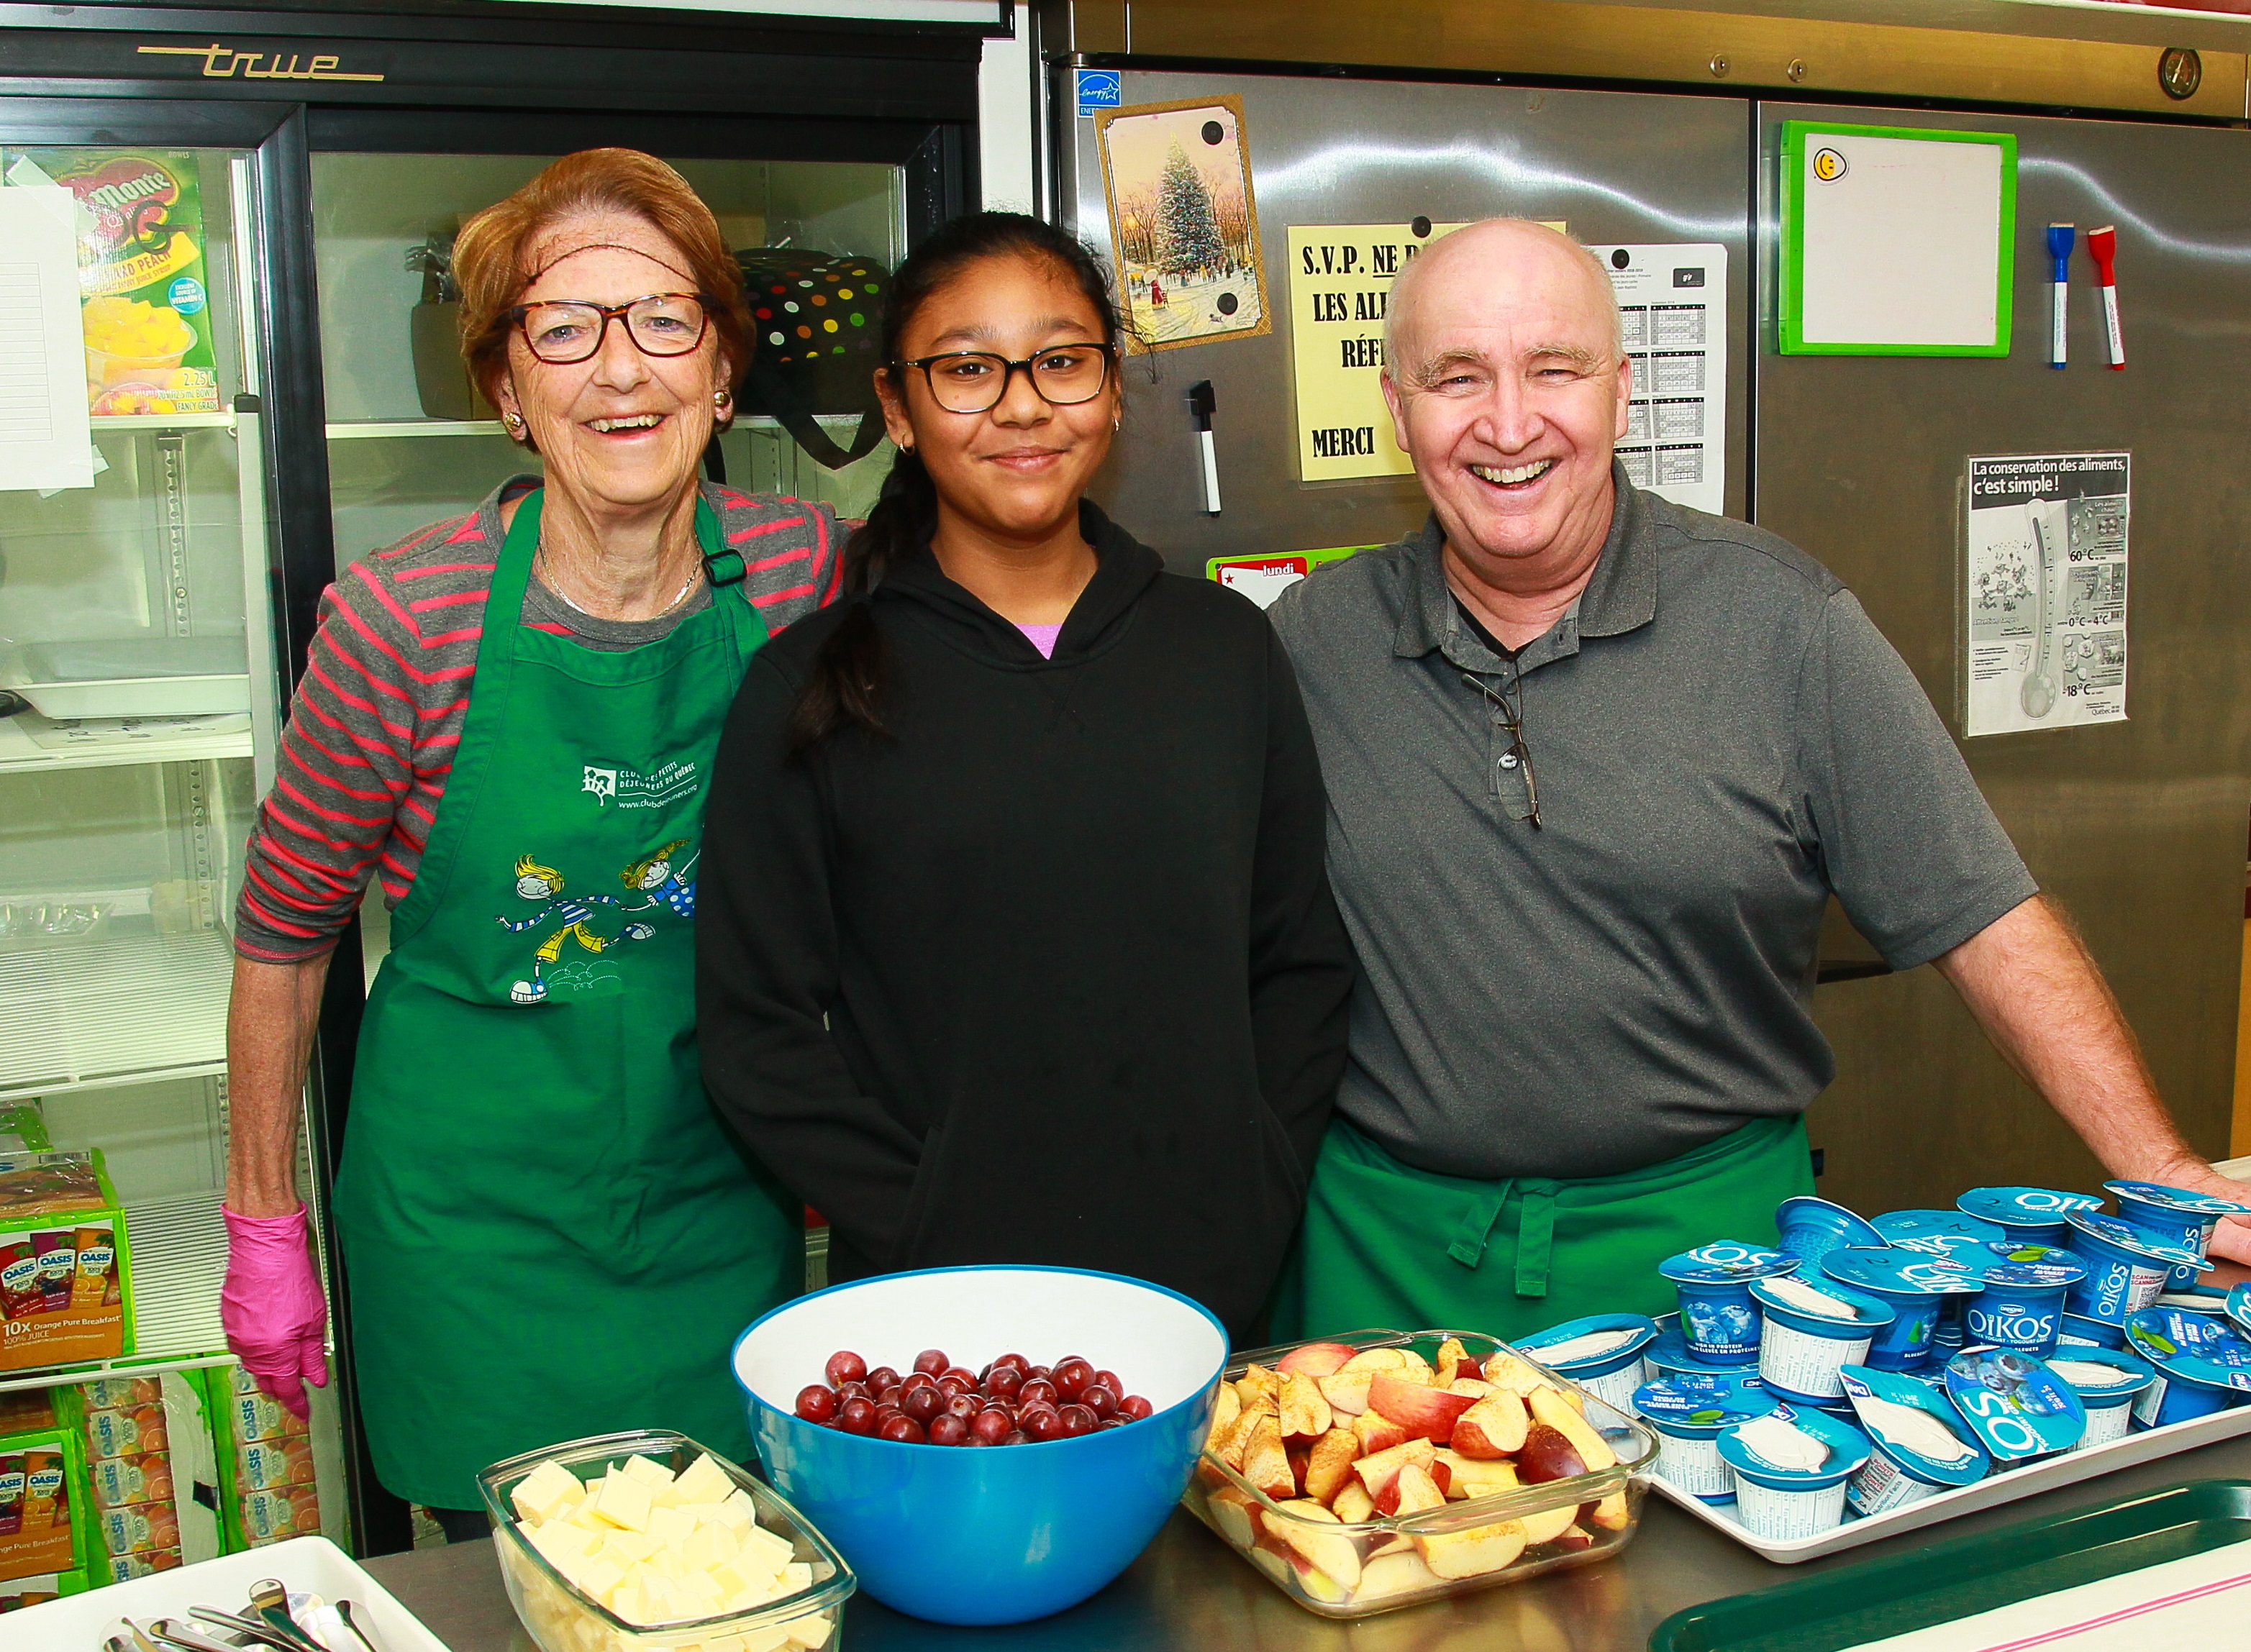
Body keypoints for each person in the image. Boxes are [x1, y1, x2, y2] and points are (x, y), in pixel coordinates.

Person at [1265, 218, 2251, 1341]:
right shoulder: (1310, 642)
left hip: (1704, 1270)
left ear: (1621, 394)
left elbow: (1979, 915)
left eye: (1554, 368)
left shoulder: (1783, 624)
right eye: (1456, 377)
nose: (1506, 421)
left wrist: (2163, 1168)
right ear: (1398, 410)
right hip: (1383, 1266)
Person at [222, 149, 842, 1536]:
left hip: (712, 1198)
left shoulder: (808, 574)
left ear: (724, 373)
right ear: (509, 392)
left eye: (665, 319)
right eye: (565, 329)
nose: (622, 370)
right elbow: (282, 937)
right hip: (470, 1229)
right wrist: (266, 1225)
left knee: (721, 1571)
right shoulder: (402, 624)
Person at [695, 212, 1353, 1343]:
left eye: (1059, 361)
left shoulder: (1222, 650)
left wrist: (1259, 1178)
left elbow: (1297, 959)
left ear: (1108, 388)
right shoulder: (811, 687)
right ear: (897, 409)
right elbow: (755, 1032)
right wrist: (922, 1218)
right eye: (965, 370)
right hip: (935, 1314)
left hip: (1216, 1289)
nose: (1020, 404)